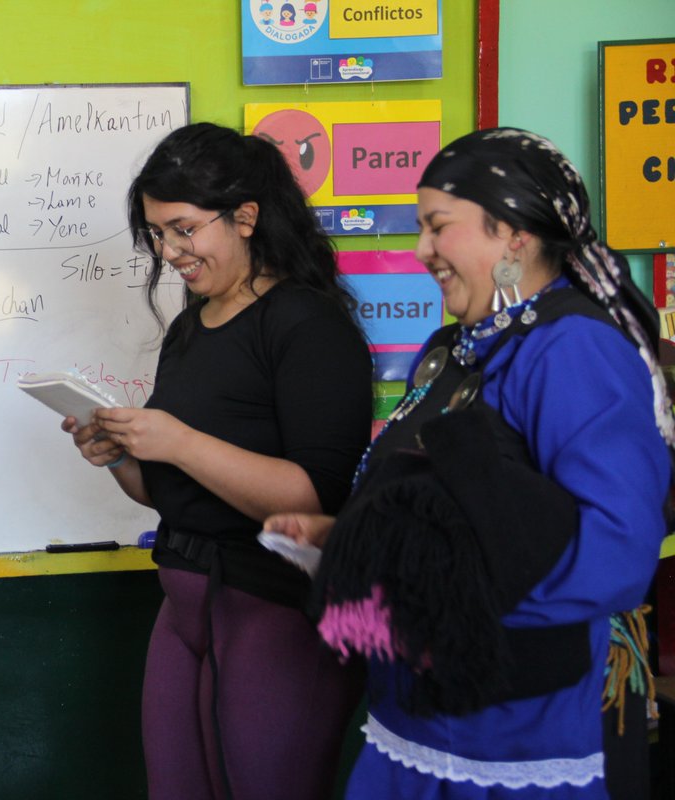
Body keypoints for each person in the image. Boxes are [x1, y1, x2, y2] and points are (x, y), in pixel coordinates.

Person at [264, 128, 673, 799]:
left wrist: (442, 602)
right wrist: (347, 540)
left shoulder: (572, 351)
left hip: (512, 742)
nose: (422, 249)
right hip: (414, 716)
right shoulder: (451, 350)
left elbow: (617, 555)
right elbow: (455, 515)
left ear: (511, 234)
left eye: (437, 227)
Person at [63, 123, 373, 800]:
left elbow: (311, 499)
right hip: (184, 600)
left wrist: (176, 440)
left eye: (183, 229)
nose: (170, 252)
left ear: (246, 217)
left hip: (273, 608)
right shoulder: (188, 329)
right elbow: (173, 493)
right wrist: (119, 457)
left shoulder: (308, 326)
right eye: (156, 234)